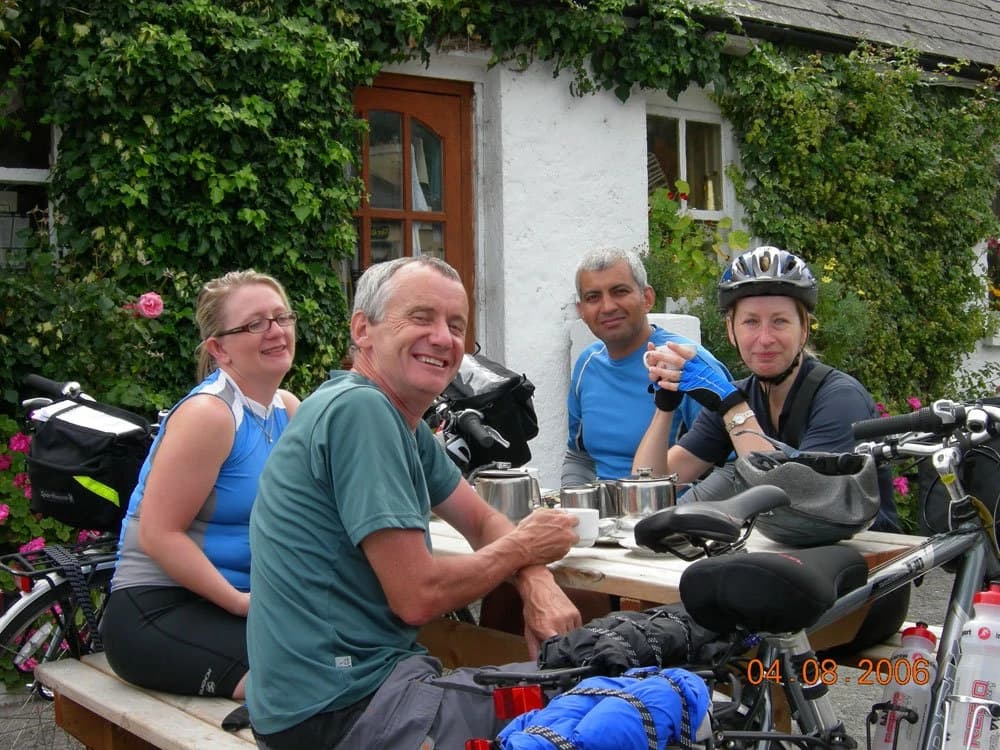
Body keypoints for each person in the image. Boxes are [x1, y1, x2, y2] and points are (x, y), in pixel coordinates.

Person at [246, 256, 582, 749]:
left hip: (338, 695)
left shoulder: (399, 419)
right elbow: (417, 596)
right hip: (342, 711)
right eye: (421, 318)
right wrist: (524, 547)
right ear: (363, 329)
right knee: (599, 710)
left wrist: (536, 581)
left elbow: (483, 519)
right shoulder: (360, 412)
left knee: (573, 685)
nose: (444, 338)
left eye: (456, 325)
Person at [633, 246, 905, 648]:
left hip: (864, 586)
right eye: (750, 322)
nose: (764, 338)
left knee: (708, 631)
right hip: (780, 572)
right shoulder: (739, 395)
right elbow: (651, 486)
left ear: (805, 329)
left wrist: (732, 408)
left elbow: (802, 498)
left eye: (780, 321)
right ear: (730, 330)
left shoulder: (838, 396)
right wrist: (666, 403)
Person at [101, 270, 300, 700]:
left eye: (282, 317)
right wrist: (244, 605)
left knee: (355, 652)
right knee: (300, 684)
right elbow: (159, 534)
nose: (276, 331)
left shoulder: (286, 409)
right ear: (219, 349)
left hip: (234, 606)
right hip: (160, 610)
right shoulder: (210, 415)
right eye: (254, 324)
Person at [563, 248, 731, 486]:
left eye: (619, 292)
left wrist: (678, 514)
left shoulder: (688, 365)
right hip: (602, 518)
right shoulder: (587, 365)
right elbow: (579, 456)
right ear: (582, 311)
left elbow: (732, 468)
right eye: (593, 297)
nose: (607, 306)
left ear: (647, 299)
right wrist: (575, 510)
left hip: (672, 516)